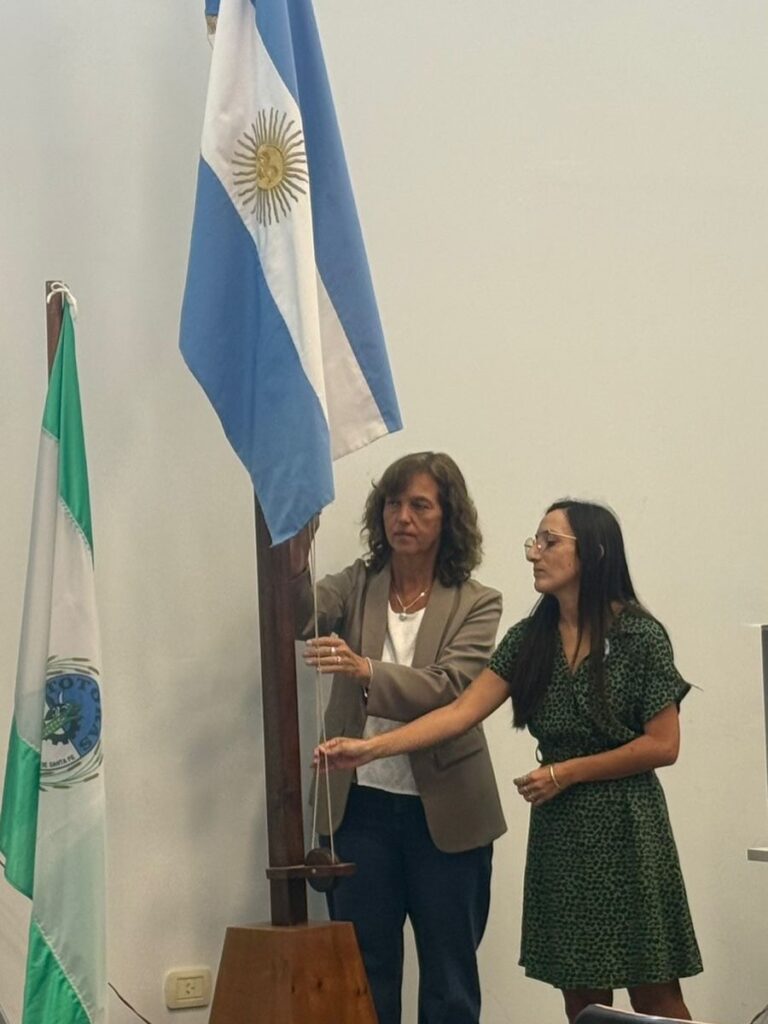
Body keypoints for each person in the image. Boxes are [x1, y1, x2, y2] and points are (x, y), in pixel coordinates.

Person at [316, 499, 703, 1024]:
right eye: (534, 542)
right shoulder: (530, 638)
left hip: (627, 829)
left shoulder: (640, 637)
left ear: (594, 552)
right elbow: (459, 713)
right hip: (562, 833)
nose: (533, 554)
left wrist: (565, 772)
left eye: (549, 542)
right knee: (582, 997)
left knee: (654, 994)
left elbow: (663, 745)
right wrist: (368, 749)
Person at [290, 451, 506, 1024]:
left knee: (449, 981)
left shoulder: (478, 601)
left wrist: (366, 670)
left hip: (448, 815)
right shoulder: (358, 583)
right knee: (364, 974)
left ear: (448, 517)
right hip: (359, 809)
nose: (402, 517)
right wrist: (296, 554)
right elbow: (300, 617)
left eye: (419, 505)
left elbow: (450, 687)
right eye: (392, 503)